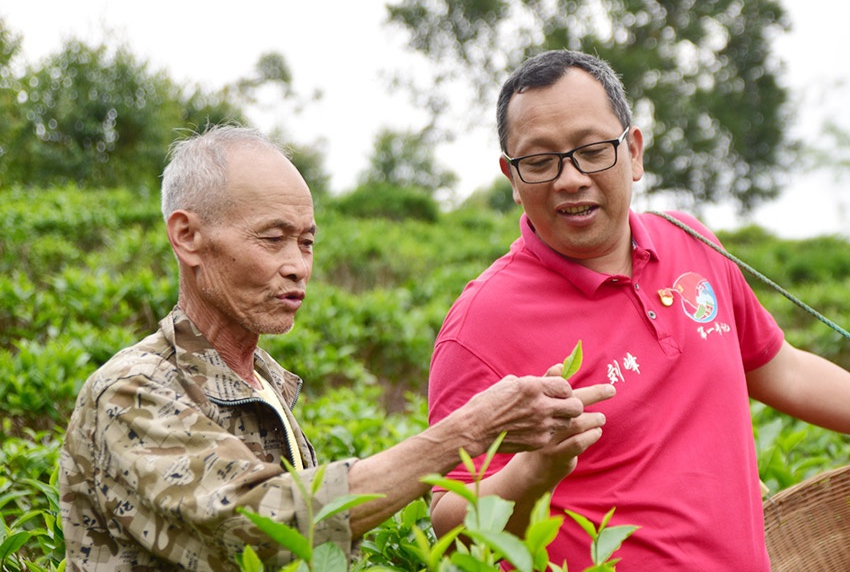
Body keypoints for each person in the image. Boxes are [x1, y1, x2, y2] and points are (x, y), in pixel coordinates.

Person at [58, 125, 615, 571]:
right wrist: (467, 431)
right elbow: (269, 525)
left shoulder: (266, 382)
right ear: (187, 236)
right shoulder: (132, 390)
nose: (298, 265)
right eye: (272, 239)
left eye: (306, 241)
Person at [427, 49, 850, 571]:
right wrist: (534, 472)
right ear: (512, 178)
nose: (570, 178)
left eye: (592, 150)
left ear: (635, 152)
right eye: (539, 161)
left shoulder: (694, 244)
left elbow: (783, 370)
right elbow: (449, 523)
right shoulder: (481, 323)